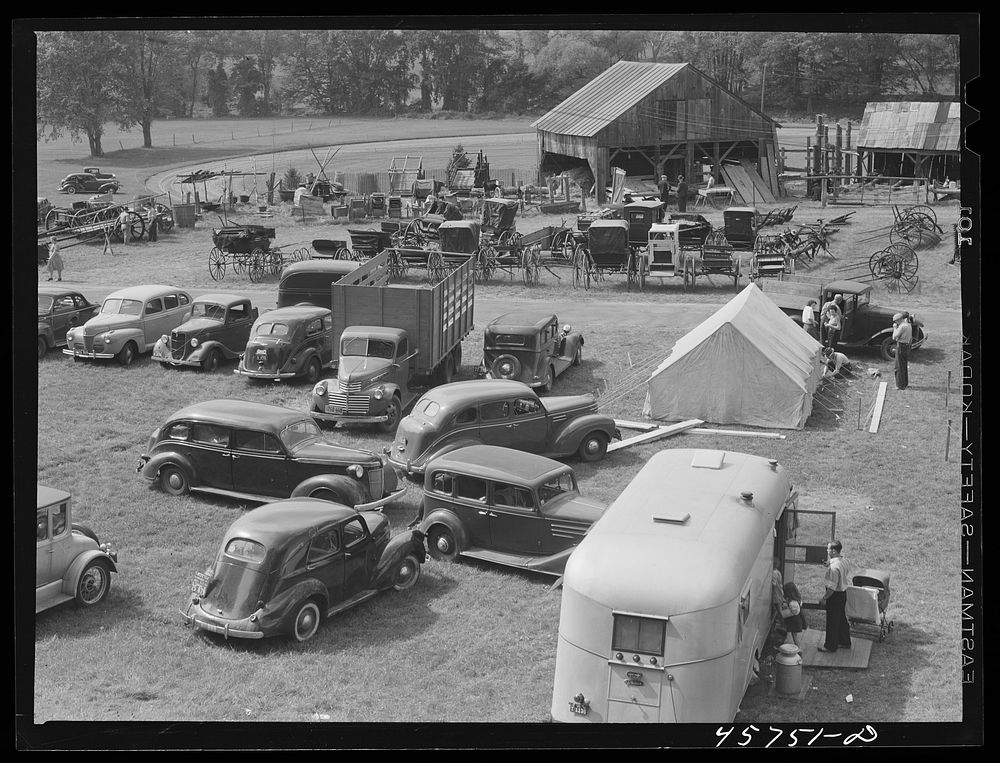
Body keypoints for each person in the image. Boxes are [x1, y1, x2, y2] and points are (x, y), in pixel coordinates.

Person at [818, 539, 853, 653]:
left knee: (832, 621)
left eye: (828, 549)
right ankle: (844, 641)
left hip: (834, 595)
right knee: (841, 619)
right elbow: (839, 565)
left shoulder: (833, 568)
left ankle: (830, 646)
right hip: (843, 594)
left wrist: (824, 598)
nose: (827, 550)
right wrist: (828, 563)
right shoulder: (844, 561)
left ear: (833, 551)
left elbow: (832, 588)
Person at [892, 311, 912, 390]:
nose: (896, 323)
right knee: (904, 365)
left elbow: (894, 337)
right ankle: (905, 383)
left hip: (901, 346)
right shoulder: (908, 325)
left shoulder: (902, 326)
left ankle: (899, 385)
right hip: (906, 346)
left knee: (898, 366)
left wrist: (894, 327)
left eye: (896, 321)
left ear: (899, 320)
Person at [782, 581, 807, 647]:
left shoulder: (792, 603)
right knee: (794, 635)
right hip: (797, 619)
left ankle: (798, 649)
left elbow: (794, 612)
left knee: (794, 635)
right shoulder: (797, 599)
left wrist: (786, 607)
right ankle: (797, 647)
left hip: (794, 621)